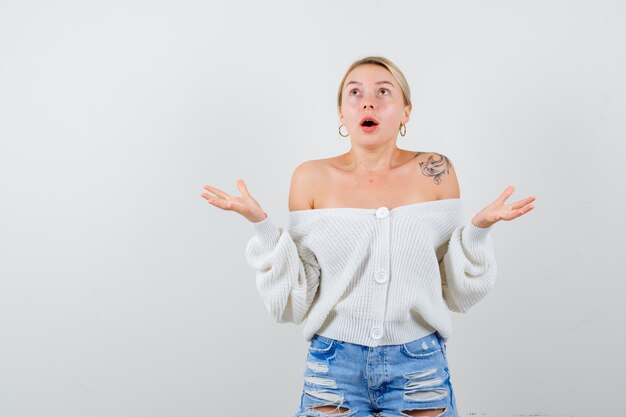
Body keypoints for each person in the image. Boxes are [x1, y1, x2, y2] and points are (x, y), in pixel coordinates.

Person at [201, 56, 535, 417]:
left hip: (418, 364)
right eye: (355, 93)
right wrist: (262, 225)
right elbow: (297, 297)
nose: (368, 102)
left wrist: (478, 230)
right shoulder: (310, 178)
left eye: (383, 92)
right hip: (332, 366)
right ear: (342, 113)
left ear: (406, 112)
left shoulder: (436, 171)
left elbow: (454, 289)